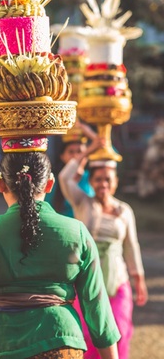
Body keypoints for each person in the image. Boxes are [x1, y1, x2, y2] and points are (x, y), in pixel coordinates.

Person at [0, 151, 120, 359]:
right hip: (62, 342)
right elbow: (97, 306)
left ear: (0, 184)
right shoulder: (76, 232)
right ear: (50, 184)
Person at [58, 137, 148, 359]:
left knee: (120, 332)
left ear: (116, 181)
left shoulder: (124, 210)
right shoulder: (83, 202)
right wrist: (88, 150)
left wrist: (139, 280)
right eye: (98, 179)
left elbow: (131, 246)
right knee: (87, 337)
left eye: (107, 179)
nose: (103, 184)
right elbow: (64, 177)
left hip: (117, 282)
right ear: (92, 181)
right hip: (86, 282)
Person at [46, 121, 96, 217]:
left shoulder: (93, 178)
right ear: (62, 156)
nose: (76, 156)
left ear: (87, 154)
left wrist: (90, 133)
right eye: (71, 152)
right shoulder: (53, 183)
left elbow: (107, 151)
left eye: (80, 152)